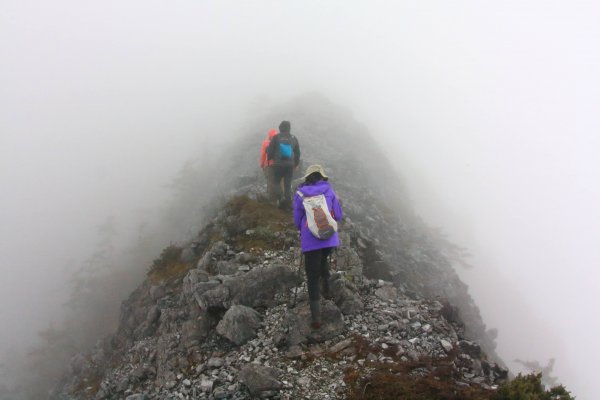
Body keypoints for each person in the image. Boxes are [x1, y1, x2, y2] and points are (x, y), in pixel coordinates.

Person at [293, 165, 343, 329]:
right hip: (328, 238)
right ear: (322, 177)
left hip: (310, 240)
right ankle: (327, 291)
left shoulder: (300, 194)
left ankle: (316, 318)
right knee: (323, 259)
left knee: (312, 275)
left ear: (307, 178)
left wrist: (304, 230)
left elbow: (296, 220)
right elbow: (339, 215)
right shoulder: (329, 191)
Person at [267, 120, 300, 208]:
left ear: (280, 128)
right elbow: (297, 153)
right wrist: (296, 164)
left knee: (275, 182)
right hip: (290, 166)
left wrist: (269, 159)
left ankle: (281, 197)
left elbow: (270, 150)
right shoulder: (294, 138)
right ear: (289, 128)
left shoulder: (276, 137)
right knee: (287, 185)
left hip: (278, 165)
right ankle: (288, 204)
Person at [259, 128, 277, 199]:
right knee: (279, 181)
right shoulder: (279, 142)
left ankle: (271, 198)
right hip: (279, 165)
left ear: (269, 135)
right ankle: (281, 198)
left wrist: (262, 165)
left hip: (269, 165)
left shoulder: (266, 143)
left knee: (270, 181)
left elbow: (263, 154)